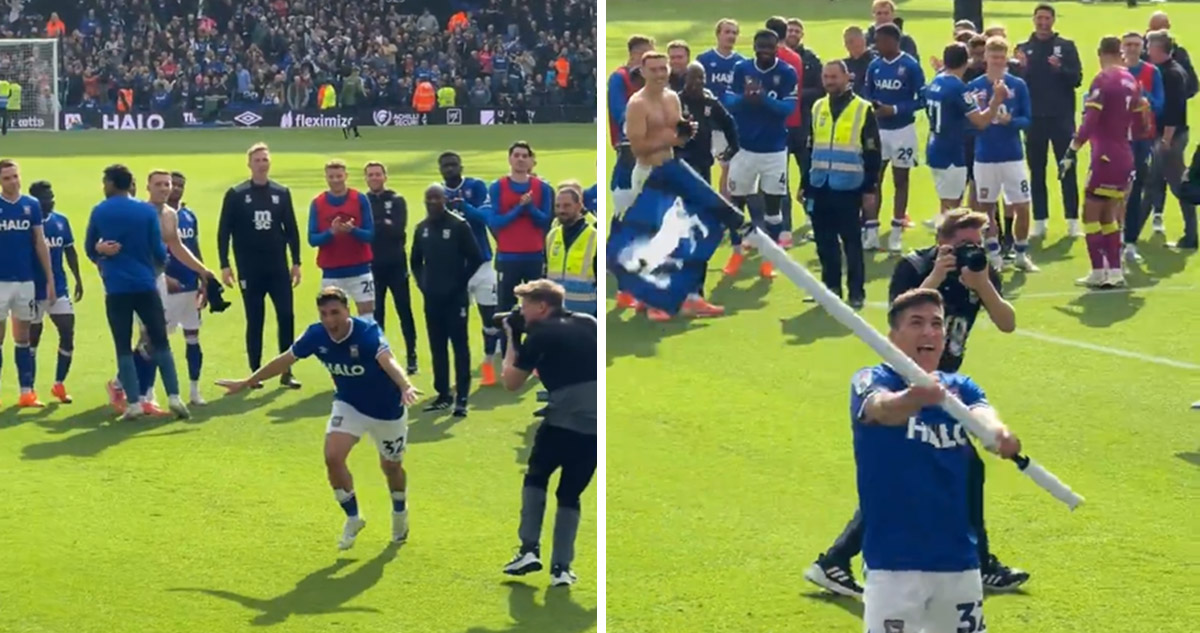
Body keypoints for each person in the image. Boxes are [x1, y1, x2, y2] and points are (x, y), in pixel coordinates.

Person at [852, 288, 1022, 633]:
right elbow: (881, 410)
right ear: (893, 336)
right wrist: (915, 397)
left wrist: (999, 435)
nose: (929, 332)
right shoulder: (871, 380)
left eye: (936, 324)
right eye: (916, 323)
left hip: (959, 561)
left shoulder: (961, 387)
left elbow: (983, 416)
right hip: (893, 565)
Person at [216, 287, 420, 550]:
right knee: (333, 457)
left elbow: (388, 361)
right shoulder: (316, 335)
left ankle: (400, 512)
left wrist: (405, 386)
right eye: (324, 314)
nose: (330, 320)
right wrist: (247, 381)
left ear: (348, 311)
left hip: (387, 410)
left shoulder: (367, 333)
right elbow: (284, 360)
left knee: (391, 467)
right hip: (349, 404)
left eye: (335, 312)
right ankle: (353, 517)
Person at [499, 279, 597, 588]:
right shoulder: (589, 322)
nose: (521, 312)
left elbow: (511, 382)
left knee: (536, 477)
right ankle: (562, 568)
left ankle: (528, 549)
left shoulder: (540, 334)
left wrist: (512, 336)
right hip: (596, 426)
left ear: (542, 306)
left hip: (563, 421)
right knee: (569, 494)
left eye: (525, 306)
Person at [85, 164, 184, 419]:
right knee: (160, 341)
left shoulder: (100, 210)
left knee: (123, 345)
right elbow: (159, 250)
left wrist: (101, 253)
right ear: (131, 184)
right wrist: (159, 266)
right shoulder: (146, 211)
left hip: (116, 287)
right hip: (145, 285)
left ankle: (133, 403)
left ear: (110, 184)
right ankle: (174, 396)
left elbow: (89, 248)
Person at [1060, 37, 1150, 289]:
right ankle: (1116, 271)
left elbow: (1090, 121)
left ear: (1100, 54)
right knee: (1110, 215)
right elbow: (1142, 127)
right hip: (1125, 155)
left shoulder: (1102, 80)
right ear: (1120, 53)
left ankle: (1098, 271)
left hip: (1104, 157)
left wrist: (1072, 150)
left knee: (1090, 214)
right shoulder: (1132, 81)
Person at [125, 170, 213, 414]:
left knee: (153, 340)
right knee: (150, 338)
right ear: (148, 187)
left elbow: (177, 246)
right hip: (139, 283)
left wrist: (202, 270)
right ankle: (132, 389)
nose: (165, 188)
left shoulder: (170, 214)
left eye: (167, 184)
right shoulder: (139, 213)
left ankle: (137, 393)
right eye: (159, 184)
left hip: (157, 280)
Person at [217, 143, 303, 390]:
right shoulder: (236, 194)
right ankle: (255, 373)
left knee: (286, 316)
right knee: (255, 319)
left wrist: (296, 262)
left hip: (277, 267)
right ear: (249, 164)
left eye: (265, 159)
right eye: (257, 160)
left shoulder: (281, 192)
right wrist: (225, 264)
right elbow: (224, 231)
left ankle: (286, 371)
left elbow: (291, 230)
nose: (262, 164)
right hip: (249, 268)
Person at [621, 50, 697, 321]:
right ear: (642, 72)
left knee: (672, 236)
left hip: (670, 170)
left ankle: (653, 298)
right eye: (653, 69)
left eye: (663, 69)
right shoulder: (637, 104)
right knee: (652, 238)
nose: (660, 74)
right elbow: (638, 147)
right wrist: (672, 140)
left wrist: (686, 131)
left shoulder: (672, 97)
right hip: (648, 173)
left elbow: (676, 133)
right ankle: (652, 301)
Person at [720, 29, 797, 278]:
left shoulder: (786, 72)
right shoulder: (741, 69)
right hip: (743, 149)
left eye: (769, 49)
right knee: (736, 205)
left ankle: (768, 259)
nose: (764, 53)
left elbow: (788, 108)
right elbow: (728, 102)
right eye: (760, 48)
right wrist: (746, 98)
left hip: (774, 151)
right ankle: (736, 253)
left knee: (773, 210)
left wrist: (762, 98)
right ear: (754, 47)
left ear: (776, 49)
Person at [803, 61, 879, 309]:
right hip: (820, 184)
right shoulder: (818, 106)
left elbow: (872, 152)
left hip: (849, 186)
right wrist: (805, 183)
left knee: (851, 242)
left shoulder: (862, 108)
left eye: (834, 77)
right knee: (824, 242)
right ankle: (830, 288)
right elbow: (810, 147)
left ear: (847, 77)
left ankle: (856, 292)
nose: (829, 81)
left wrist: (869, 188)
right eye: (826, 77)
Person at [411, 184, 483, 417]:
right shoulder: (421, 228)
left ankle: (462, 397)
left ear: (445, 200)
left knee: (460, 347)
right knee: (437, 346)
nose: (432, 203)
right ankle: (443, 394)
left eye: (437, 198)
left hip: (455, 298)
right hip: (432, 298)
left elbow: (476, 257)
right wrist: (423, 284)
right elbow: (415, 261)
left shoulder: (458, 225)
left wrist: (459, 283)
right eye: (428, 199)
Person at [968, 36, 1037, 272]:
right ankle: (994, 254)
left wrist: (1011, 122)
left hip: (1013, 156)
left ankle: (1021, 253)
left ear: (1006, 59)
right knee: (986, 208)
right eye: (993, 57)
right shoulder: (974, 87)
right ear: (985, 58)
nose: (997, 61)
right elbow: (970, 124)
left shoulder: (1018, 85)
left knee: (1023, 205)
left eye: (1001, 57)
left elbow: (1027, 120)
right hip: (985, 156)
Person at [1014, 3, 1083, 239]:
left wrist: (1060, 69)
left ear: (1053, 20)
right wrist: (1021, 68)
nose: (1043, 23)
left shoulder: (1066, 47)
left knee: (1067, 168)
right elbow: (1017, 84)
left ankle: (1072, 221)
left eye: (1047, 18)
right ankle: (1040, 221)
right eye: (1039, 18)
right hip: (1034, 120)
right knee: (1037, 171)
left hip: (1061, 119)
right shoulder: (1023, 48)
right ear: (1034, 19)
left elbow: (1076, 79)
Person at [863, 23, 926, 254]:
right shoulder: (874, 65)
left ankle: (896, 232)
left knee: (901, 180)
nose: (876, 45)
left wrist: (895, 109)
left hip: (903, 131)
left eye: (879, 41)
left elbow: (922, 98)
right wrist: (874, 106)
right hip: (878, 131)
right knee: (873, 180)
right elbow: (867, 92)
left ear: (892, 41)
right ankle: (871, 232)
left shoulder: (910, 65)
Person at [440, 152, 501, 386]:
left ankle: (491, 366)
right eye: (445, 166)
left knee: (491, 319)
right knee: (457, 323)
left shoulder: (476, 187)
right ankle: (462, 372)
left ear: (461, 166)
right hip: (454, 269)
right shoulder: (437, 192)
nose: (450, 168)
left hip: (482, 264)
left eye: (453, 164)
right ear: (440, 169)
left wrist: (463, 206)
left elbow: (485, 218)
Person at [925, 43, 1007, 217]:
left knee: (946, 203)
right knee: (952, 208)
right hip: (951, 152)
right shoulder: (958, 88)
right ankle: (946, 235)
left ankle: (945, 234)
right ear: (966, 61)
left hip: (934, 147)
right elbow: (981, 122)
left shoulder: (936, 81)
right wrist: (996, 100)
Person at [0, 162, 56, 407]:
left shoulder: (31, 205)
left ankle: (27, 391)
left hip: (25, 281)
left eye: (15, 176)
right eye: (7, 178)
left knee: (23, 337)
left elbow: (40, 242)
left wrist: (50, 278)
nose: (13, 182)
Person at [27, 180, 83, 404]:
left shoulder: (61, 221)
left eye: (51, 197)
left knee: (67, 331)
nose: (50, 201)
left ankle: (59, 384)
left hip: (58, 288)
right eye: (45, 198)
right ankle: (28, 388)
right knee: (32, 339)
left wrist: (78, 279)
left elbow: (70, 251)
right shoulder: (26, 225)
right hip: (32, 290)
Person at [1141, 30, 1197, 250]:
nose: (1147, 50)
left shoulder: (1171, 74)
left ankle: (1191, 236)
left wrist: (1166, 139)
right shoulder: (1168, 70)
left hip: (1169, 138)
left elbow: (1175, 109)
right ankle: (1130, 234)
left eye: (1149, 46)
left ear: (1158, 48)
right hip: (1168, 136)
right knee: (1152, 183)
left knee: (1179, 186)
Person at [487, 142, 552, 324]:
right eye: (516, 155)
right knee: (505, 305)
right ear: (509, 159)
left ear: (531, 160)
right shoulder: (497, 187)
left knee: (538, 305)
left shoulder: (542, 188)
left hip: (534, 256)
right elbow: (496, 222)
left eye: (525, 156)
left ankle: (537, 339)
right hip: (507, 257)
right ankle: (506, 339)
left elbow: (544, 221)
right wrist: (519, 208)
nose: (520, 159)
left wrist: (529, 207)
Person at [364, 161, 418, 374]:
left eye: (378, 174)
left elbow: (397, 230)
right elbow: (366, 232)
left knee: (404, 310)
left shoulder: (396, 199)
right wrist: (383, 223)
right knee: (376, 314)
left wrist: (379, 225)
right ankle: (380, 357)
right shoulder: (363, 201)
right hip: (372, 265)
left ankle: (412, 355)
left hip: (396, 264)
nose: (374, 178)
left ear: (385, 177)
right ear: (366, 178)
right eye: (370, 175)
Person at [162, 171, 209, 405]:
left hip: (190, 288)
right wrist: (163, 277)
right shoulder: (158, 216)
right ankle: (142, 390)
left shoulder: (189, 216)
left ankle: (194, 390)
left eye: (181, 185)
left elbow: (194, 248)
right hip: (166, 289)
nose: (177, 189)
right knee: (154, 342)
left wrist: (203, 278)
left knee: (193, 338)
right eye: (174, 185)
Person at [309, 160, 376, 318]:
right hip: (332, 272)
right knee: (332, 319)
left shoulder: (359, 199)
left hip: (360, 270)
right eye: (331, 177)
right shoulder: (318, 203)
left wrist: (352, 231)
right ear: (326, 178)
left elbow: (370, 235)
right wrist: (331, 232)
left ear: (346, 176)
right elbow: (312, 239)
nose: (335, 180)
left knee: (367, 316)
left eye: (339, 176)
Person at [1121, 32, 1165, 264]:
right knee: (1115, 190)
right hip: (1118, 139)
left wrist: (1144, 97)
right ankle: (1113, 239)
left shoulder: (1151, 72)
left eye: (1136, 45)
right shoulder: (1115, 71)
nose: (1132, 48)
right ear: (1121, 47)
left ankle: (1130, 242)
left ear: (1143, 48)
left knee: (1136, 188)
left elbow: (1160, 103)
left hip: (1141, 138)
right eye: (1128, 44)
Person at [766, 16, 805, 248]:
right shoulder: (795, 57)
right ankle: (787, 230)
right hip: (795, 121)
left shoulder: (770, 59)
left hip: (774, 126)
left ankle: (781, 229)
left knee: (776, 180)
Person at [697, 20, 745, 201]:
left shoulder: (742, 62)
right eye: (727, 32)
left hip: (728, 124)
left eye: (734, 33)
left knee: (728, 168)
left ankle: (724, 206)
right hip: (707, 123)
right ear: (718, 34)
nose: (731, 36)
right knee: (701, 167)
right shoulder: (704, 60)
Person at [544, 183, 597, 316]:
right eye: (557, 206)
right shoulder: (552, 235)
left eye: (567, 206)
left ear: (579, 206)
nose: (561, 210)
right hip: (556, 312)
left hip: (587, 312)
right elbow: (545, 273)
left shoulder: (595, 237)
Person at [842, 26, 876, 99]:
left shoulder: (874, 62)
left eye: (851, 42)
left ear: (863, 40)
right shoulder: (843, 65)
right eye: (846, 42)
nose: (848, 45)